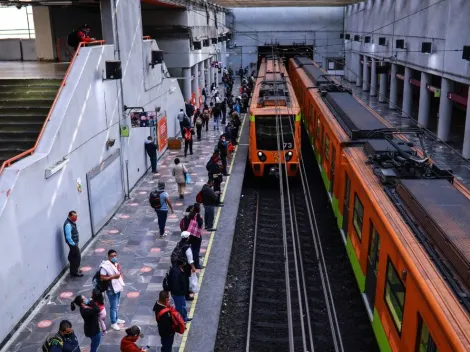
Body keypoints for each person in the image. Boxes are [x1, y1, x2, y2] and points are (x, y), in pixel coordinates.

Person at [99, 249, 125, 331]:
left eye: (115, 256)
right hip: (111, 289)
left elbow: (120, 273)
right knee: (113, 306)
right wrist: (113, 277)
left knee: (117, 304)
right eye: (112, 256)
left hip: (118, 287)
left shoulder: (116, 264)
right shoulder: (105, 266)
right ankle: (113, 322)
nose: (114, 257)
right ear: (108, 256)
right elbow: (102, 278)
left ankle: (116, 318)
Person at [64, 211, 82, 277]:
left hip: (74, 243)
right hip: (73, 243)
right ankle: (75, 272)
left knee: (72, 256)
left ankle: (74, 270)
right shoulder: (68, 224)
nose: (76, 217)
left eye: (76, 216)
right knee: (77, 257)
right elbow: (68, 237)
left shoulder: (71, 223)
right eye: (74, 216)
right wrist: (73, 245)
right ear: (70, 216)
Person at [186, 204, 204, 269]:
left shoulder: (190, 215)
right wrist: (201, 220)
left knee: (192, 249)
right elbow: (200, 224)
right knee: (196, 250)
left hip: (191, 235)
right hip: (196, 236)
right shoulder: (198, 215)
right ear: (198, 209)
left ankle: (191, 263)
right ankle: (196, 264)